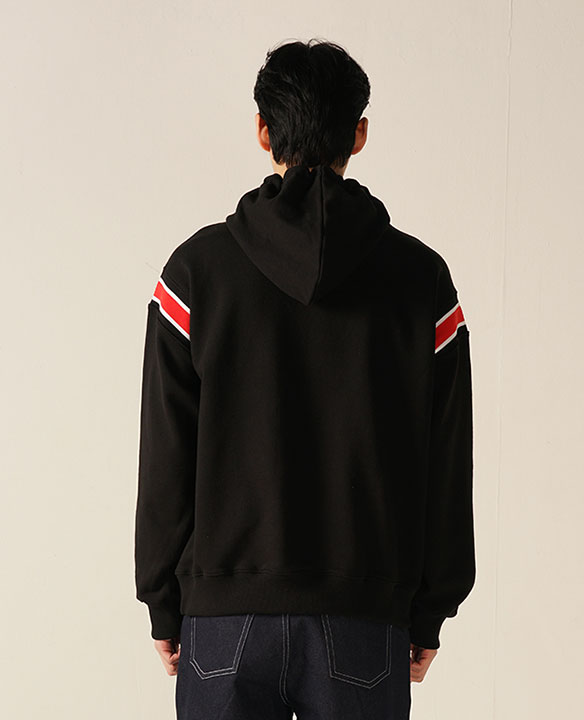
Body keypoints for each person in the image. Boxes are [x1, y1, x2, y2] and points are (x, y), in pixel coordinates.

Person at [134, 37, 476, 720]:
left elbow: (167, 454)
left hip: (223, 618)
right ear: (360, 134)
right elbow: (446, 461)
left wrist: (164, 601)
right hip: (364, 615)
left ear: (263, 131)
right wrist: (431, 607)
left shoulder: (196, 273)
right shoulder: (421, 281)